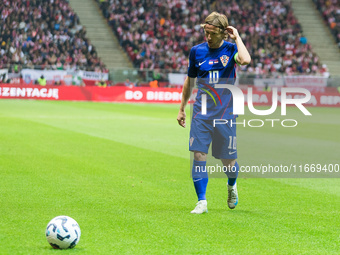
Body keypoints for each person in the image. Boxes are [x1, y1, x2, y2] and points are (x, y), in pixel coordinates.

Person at [177, 12, 251, 214]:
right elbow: (189, 80)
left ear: (223, 33)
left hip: (225, 114)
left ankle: (232, 185)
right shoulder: (196, 51)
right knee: (199, 155)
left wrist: (237, 37)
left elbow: (245, 59)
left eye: (211, 33)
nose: (207, 37)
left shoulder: (231, 49)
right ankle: (202, 201)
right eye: (205, 32)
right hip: (201, 113)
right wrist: (182, 108)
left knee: (229, 162)